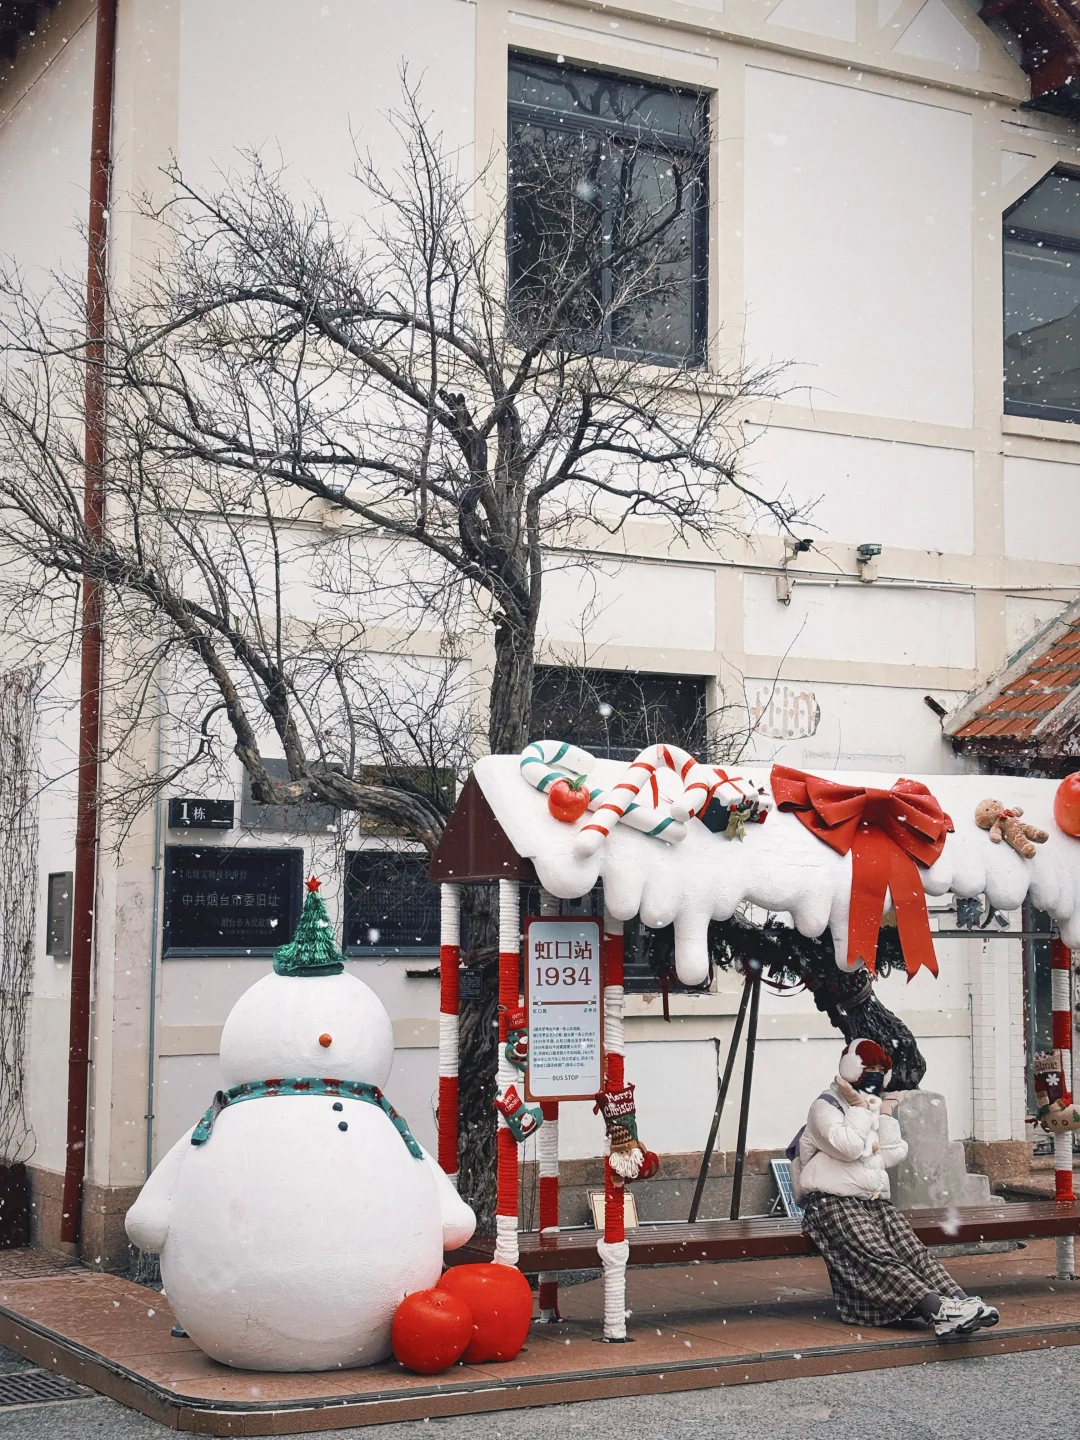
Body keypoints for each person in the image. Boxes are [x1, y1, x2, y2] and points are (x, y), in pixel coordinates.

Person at [793, 1038, 999, 1339]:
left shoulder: (869, 1104)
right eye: (869, 1067)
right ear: (851, 1068)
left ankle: (959, 1303)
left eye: (880, 1069)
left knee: (914, 1252)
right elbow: (848, 1147)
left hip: (871, 1199)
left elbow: (891, 1154)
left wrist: (886, 1114)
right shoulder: (825, 1106)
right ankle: (936, 1309)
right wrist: (861, 1108)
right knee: (878, 1257)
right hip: (830, 1201)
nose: (875, 1074)